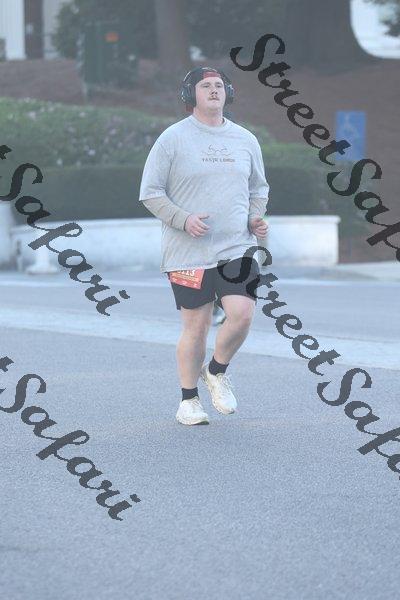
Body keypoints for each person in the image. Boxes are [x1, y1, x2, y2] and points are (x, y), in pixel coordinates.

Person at [139, 66, 269, 425]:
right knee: (196, 327)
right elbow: (150, 192)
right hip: (187, 252)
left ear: (228, 93)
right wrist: (183, 219)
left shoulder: (245, 139)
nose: (214, 90)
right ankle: (189, 401)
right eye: (205, 86)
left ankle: (216, 370)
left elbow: (259, 187)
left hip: (237, 246)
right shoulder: (172, 139)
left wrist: (255, 217)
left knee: (242, 314)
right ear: (189, 95)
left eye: (219, 85)